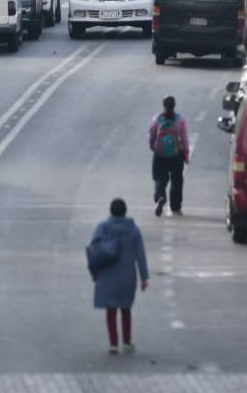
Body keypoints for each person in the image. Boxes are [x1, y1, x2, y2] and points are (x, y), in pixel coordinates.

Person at [90, 198, 149, 354]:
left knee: (111, 310)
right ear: (125, 212)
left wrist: (95, 272)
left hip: (107, 275)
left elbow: (94, 251)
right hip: (127, 275)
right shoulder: (133, 230)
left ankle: (113, 343)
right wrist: (144, 277)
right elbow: (140, 255)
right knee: (125, 308)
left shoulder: (102, 228)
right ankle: (127, 342)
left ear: (111, 211)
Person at [148, 96, 190, 217]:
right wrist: (186, 154)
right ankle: (176, 207)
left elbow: (151, 137)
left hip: (160, 155)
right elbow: (184, 139)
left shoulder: (157, 120)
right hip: (176, 156)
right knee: (177, 181)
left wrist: (154, 148)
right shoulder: (180, 120)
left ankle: (160, 197)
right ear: (174, 105)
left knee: (159, 178)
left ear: (163, 105)